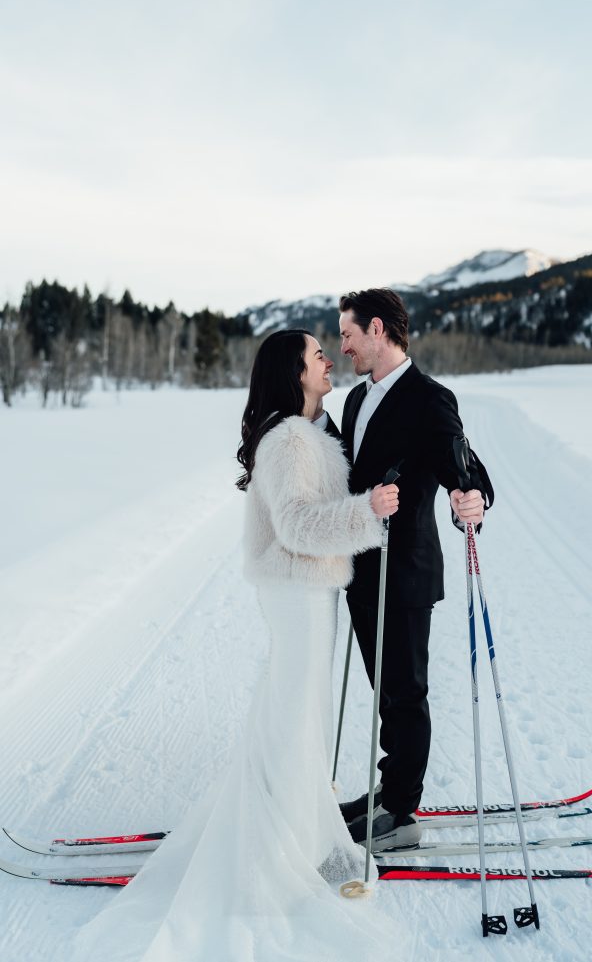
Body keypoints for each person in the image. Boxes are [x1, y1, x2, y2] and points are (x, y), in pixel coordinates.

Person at [69, 329, 409, 962]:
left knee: (294, 718)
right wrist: (368, 511)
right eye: (316, 355)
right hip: (297, 593)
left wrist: (367, 508)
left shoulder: (305, 433)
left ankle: (299, 837)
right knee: (291, 722)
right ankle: (273, 859)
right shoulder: (287, 441)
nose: (328, 360)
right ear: (293, 372)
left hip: (309, 592)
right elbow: (298, 524)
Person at [337, 288, 492, 850]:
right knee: (385, 693)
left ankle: (400, 812)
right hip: (360, 573)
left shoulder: (430, 399)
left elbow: (468, 471)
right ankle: (387, 790)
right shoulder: (355, 402)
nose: (344, 346)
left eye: (349, 334)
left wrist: (471, 499)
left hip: (403, 574)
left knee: (406, 693)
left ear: (377, 329)